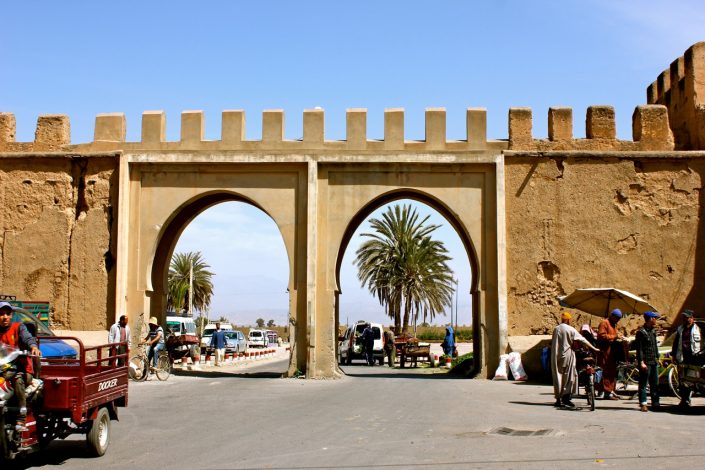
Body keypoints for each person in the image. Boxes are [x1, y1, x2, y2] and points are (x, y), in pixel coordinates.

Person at [0, 301, 41, 431]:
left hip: (22, 370)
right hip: (3, 369)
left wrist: (33, 347)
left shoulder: (19, 328)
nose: (5, 317)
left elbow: (28, 338)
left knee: (18, 380)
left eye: (7, 314)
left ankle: (21, 417)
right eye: (1, 314)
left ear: (11, 315)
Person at [551, 311, 599, 409]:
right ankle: (566, 398)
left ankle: (558, 399)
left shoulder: (556, 329)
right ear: (568, 320)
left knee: (558, 376)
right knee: (568, 377)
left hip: (556, 356)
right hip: (567, 356)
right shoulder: (571, 329)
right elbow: (582, 340)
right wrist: (594, 348)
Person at [670, 309, 701, 407]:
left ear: (692, 318)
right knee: (683, 381)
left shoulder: (698, 329)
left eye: (687, 317)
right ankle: (685, 400)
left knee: (693, 380)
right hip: (682, 358)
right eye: (684, 317)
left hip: (694, 358)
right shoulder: (680, 329)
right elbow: (675, 343)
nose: (685, 319)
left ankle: (689, 397)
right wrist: (674, 355)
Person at [635, 311, 661, 412]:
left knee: (655, 383)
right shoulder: (641, 332)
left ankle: (655, 402)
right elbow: (639, 349)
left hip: (653, 360)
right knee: (643, 383)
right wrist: (641, 362)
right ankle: (643, 403)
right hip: (645, 361)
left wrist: (657, 357)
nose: (656, 320)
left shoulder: (653, 331)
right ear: (650, 319)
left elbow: (655, 345)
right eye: (654, 318)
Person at [596, 309, 624, 400]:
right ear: (612, 316)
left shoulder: (613, 324)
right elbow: (602, 335)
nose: (618, 320)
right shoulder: (604, 323)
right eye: (617, 318)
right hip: (605, 351)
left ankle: (609, 391)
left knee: (611, 372)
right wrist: (614, 336)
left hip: (612, 352)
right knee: (606, 371)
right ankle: (605, 392)